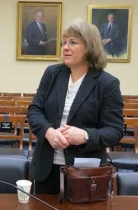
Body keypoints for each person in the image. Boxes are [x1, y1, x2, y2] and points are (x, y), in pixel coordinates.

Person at [28, 20, 123, 194]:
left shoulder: (107, 83)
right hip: (47, 169)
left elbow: (115, 131)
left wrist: (85, 135)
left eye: (73, 42)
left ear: (90, 47)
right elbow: (35, 110)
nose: (65, 47)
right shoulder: (52, 74)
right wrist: (48, 132)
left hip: (85, 173)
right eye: (64, 42)